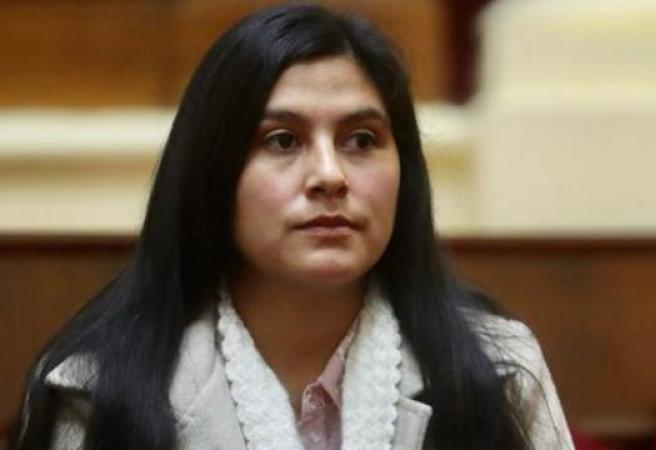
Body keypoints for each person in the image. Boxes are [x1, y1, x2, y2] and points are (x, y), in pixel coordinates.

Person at [10, 4, 574, 450]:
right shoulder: (99, 392)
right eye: (282, 141)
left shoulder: (497, 370)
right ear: (213, 170)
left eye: (361, 140)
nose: (329, 175)